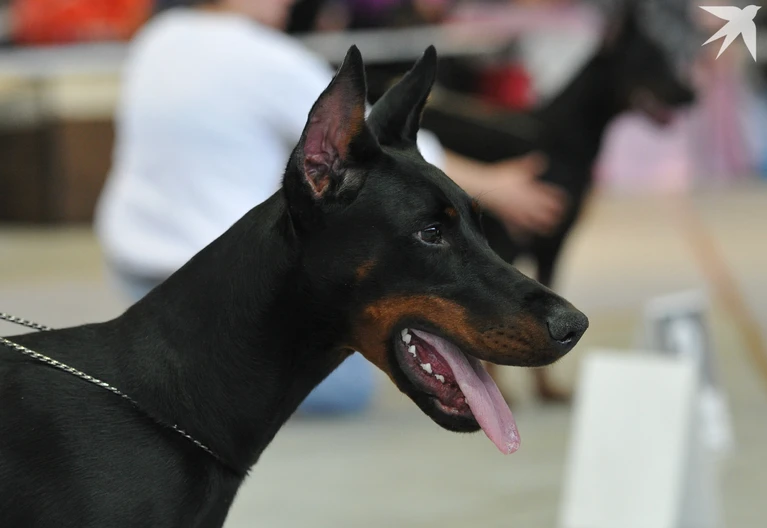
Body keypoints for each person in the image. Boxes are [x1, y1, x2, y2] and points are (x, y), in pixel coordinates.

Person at [95, 0, 566, 416]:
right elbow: (374, 146)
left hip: (136, 270)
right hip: (220, 282)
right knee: (347, 387)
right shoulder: (262, 56)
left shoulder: (159, 37)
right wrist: (496, 186)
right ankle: (188, 372)